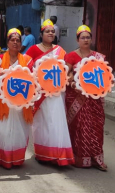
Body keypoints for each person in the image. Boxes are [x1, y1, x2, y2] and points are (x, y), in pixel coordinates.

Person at [25, 19, 74, 166]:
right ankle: (43, 154)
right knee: (42, 123)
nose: (51, 33)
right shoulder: (33, 50)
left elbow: (66, 70)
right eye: (47, 31)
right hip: (40, 93)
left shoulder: (60, 51)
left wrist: (70, 77)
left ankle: (59, 154)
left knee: (57, 122)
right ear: (41, 34)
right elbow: (26, 68)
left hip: (57, 93)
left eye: (53, 31)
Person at [64, 25, 107, 171]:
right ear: (77, 40)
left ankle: (97, 159)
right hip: (76, 97)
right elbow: (66, 73)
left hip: (93, 99)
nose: (86, 40)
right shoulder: (71, 56)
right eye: (83, 37)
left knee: (96, 127)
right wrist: (72, 80)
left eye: (88, 37)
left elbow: (104, 75)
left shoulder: (98, 57)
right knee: (79, 128)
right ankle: (79, 158)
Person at [0, 28, 33, 169]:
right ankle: (3, 157)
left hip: (21, 101)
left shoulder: (27, 60)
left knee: (19, 129)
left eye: (18, 40)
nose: (15, 42)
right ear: (7, 43)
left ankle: (16, 158)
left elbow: (33, 79)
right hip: (3, 101)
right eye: (12, 40)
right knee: (2, 129)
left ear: (21, 43)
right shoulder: (0, 59)